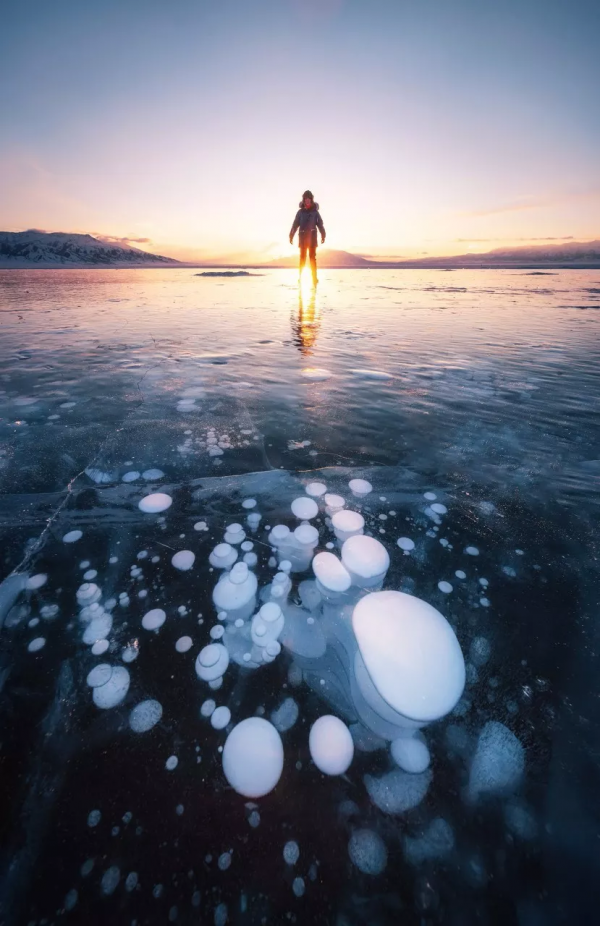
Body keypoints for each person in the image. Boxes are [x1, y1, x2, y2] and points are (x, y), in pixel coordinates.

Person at [289, 190, 325, 285]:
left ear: (311, 200)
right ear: (304, 200)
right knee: (302, 258)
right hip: (303, 238)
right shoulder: (300, 212)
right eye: (306, 199)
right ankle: (300, 278)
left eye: (309, 199)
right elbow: (295, 224)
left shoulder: (315, 212)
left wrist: (323, 234)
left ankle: (314, 278)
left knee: (312, 258)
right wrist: (291, 235)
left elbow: (320, 224)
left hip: (312, 239)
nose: (307, 201)